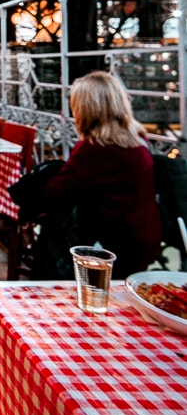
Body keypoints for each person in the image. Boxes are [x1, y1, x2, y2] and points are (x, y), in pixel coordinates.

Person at [39, 71, 161, 279]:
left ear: (86, 110)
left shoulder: (96, 149)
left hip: (111, 248)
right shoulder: (139, 141)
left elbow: (54, 193)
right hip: (144, 240)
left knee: (50, 236)